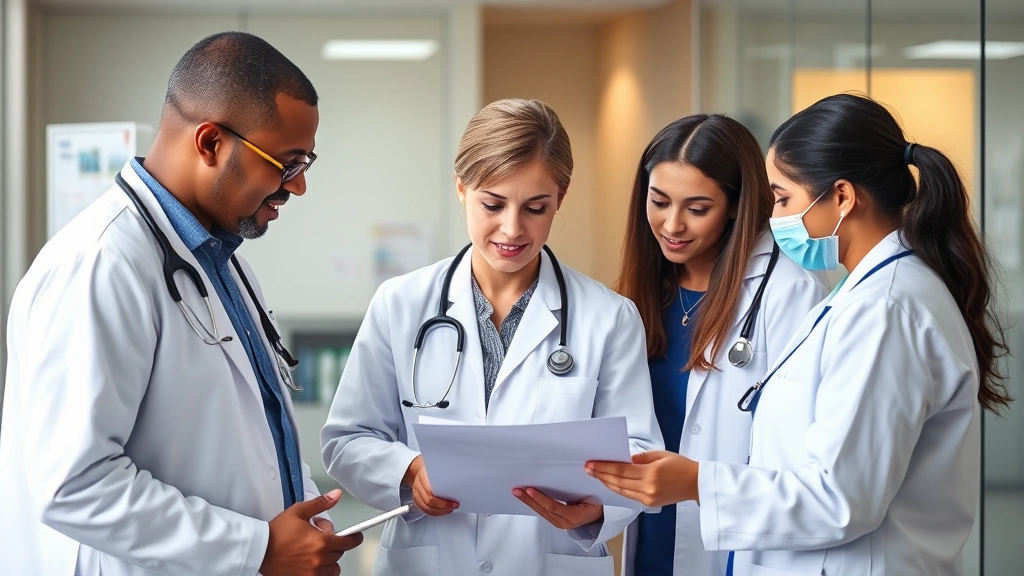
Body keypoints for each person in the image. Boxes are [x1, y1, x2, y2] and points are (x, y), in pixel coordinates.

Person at [589, 93, 1012, 576]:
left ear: (843, 197)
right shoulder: (868, 296)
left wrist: (698, 483)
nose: (774, 217)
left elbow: (840, 499)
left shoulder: (885, 311)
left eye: (783, 198)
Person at [0, 32, 362, 576]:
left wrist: (302, 522)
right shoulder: (101, 263)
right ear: (211, 142)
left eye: (305, 162)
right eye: (287, 163)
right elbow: (74, 483)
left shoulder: (220, 263)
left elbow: (255, 435)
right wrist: (257, 548)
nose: (299, 186)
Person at [321, 98, 663, 576]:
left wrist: (597, 510)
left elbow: (639, 452)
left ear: (560, 198)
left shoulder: (609, 318)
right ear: (461, 189)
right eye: (493, 204)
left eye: (536, 207)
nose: (512, 228)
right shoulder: (400, 303)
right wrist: (411, 471)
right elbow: (348, 439)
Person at [614, 115, 827, 576]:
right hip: (651, 530)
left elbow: (799, 453)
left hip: (731, 541)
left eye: (697, 208)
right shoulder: (644, 292)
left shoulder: (788, 291)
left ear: (735, 205)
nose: (672, 224)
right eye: (659, 202)